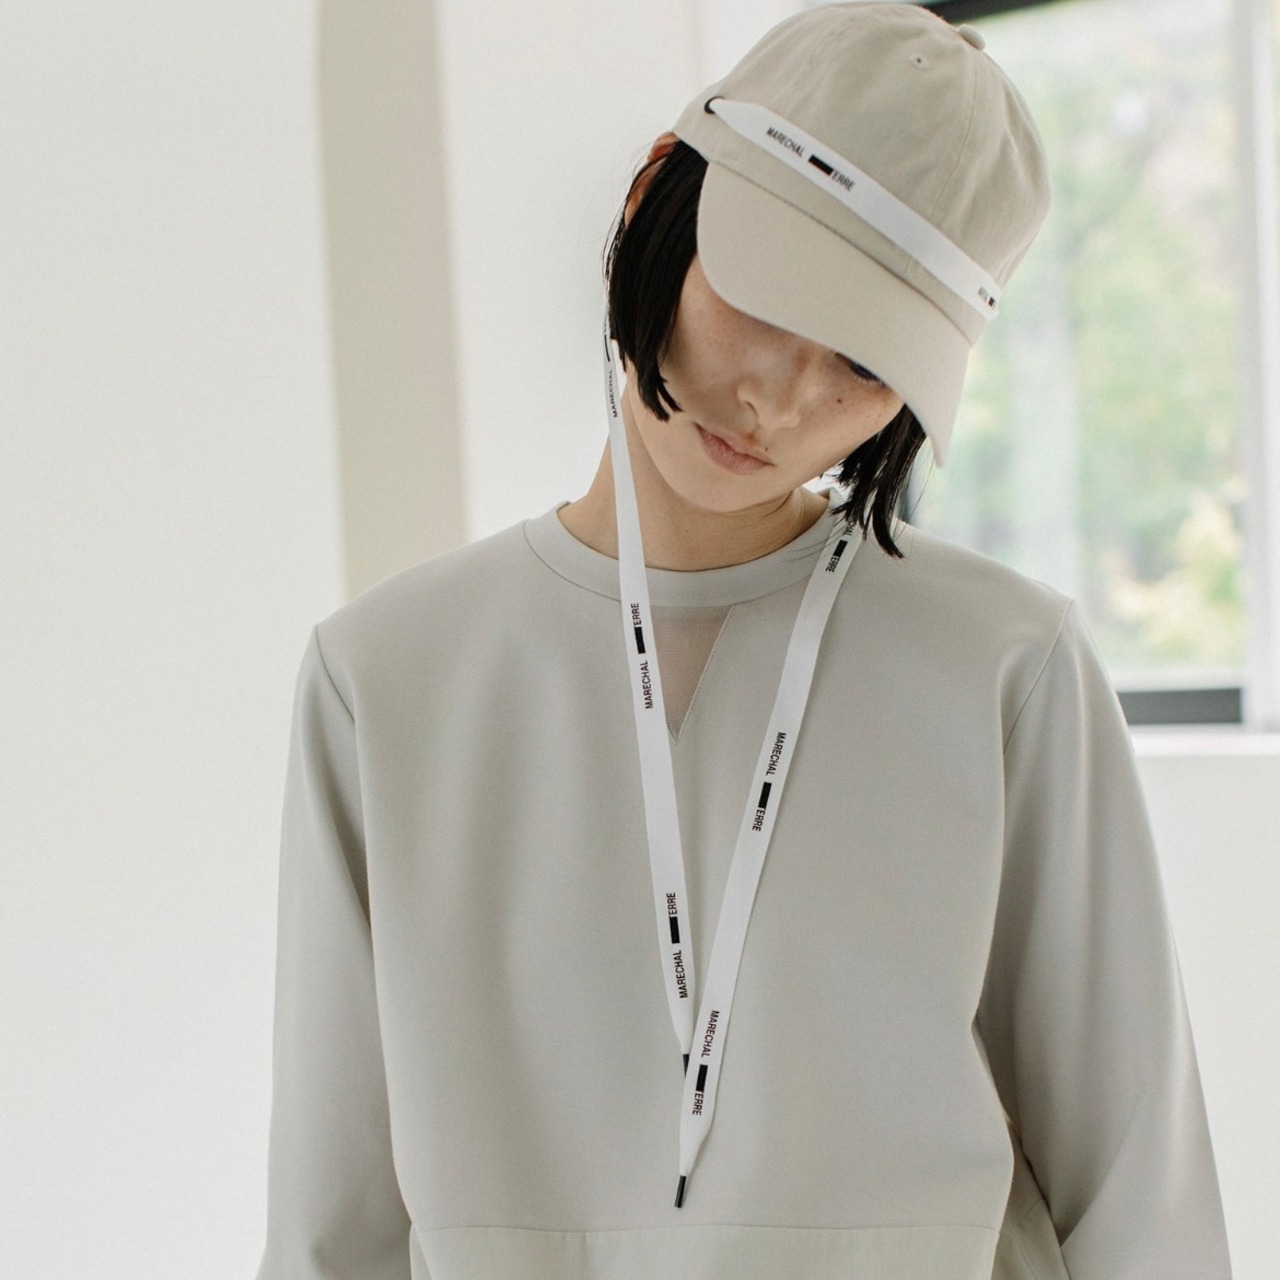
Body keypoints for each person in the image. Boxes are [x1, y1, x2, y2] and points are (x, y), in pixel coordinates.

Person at [254, 4, 1233, 1278]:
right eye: (764, 298)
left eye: (862, 366)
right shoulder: (384, 679)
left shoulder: (1007, 664)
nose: (781, 398)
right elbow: (332, 1232)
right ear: (654, 197)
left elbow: (1141, 1204)